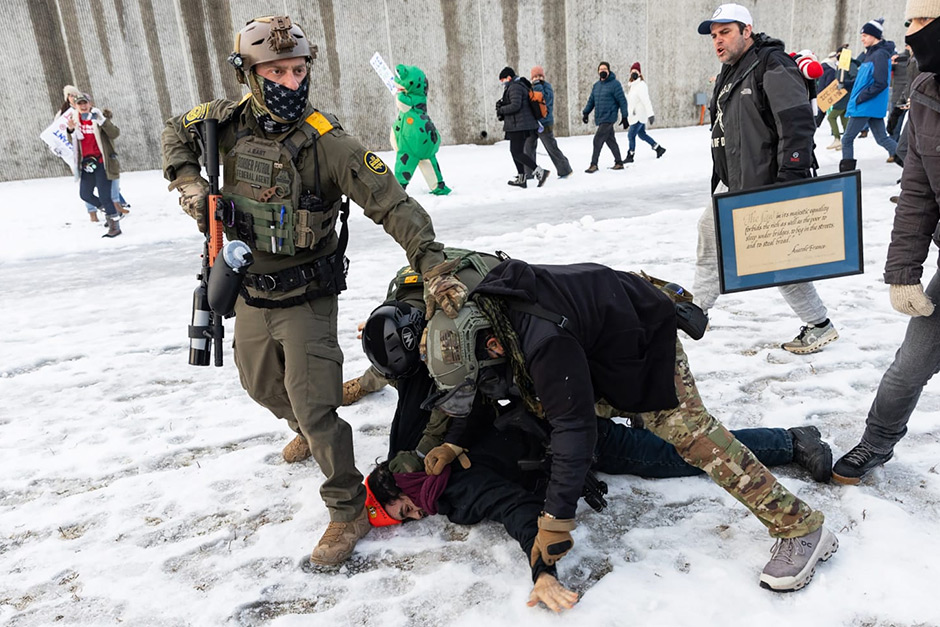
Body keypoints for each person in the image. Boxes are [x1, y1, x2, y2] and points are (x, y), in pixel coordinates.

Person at [160, 15, 468, 566]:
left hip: (306, 294)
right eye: (276, 72)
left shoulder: (330, 143)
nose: (290, 82)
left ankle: (347, 509)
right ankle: (304, 428)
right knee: (259, 384)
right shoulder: (224, 123)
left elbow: (394, 204)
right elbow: (173, 132)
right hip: (249, 287)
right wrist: (191, 187)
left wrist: (433, 265)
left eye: (298, 71)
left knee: (317, 405)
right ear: (249, 74)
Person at [422, 259, 838, 594]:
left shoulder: (543, 341)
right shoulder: (481, 307)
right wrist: (456, 441)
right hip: (603, 338)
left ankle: (801, 528)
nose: (488, 386)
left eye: (486, 374)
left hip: (644, 338)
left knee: (694, 438)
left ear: (492, 344)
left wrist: (555, 519)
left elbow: (574, 430)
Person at [832, 2, 940, 485]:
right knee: (910, 364)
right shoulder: (926, 90)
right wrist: (903, 273)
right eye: (910, 22)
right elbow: (917, 191)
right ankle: (876, 442)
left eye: (921, 22)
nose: (911, 32)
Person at [693, 3, 839, 354]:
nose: (718, 41)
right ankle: (696, 311)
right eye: (714, 36)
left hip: (766, 182)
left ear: (747, 31)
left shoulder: (772, 64)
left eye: (725, 32)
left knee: (778, 259)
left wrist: (789, 178)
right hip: (736, 181)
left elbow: (797, 122)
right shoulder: (732, 71)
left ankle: (819, 324)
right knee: (711, 234)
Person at [840, 18, 900, 171]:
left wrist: (861, 97)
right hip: (870, 105)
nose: (862, 39)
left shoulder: (880, 55)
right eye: (862, 35)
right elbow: (864, 81)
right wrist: (847, 84)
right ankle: (914, 167)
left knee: (847, 139)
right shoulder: (871, 54)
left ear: (875, 36)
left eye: (865, 35)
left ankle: (847, 177)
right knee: (882, 139)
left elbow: (881, 82)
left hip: (866, 105)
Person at [66, 93, 122, 238]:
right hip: (87, 164)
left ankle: (114, 226)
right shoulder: (75, 120)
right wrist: (70, 130)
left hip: (102, 162)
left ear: (90, 104)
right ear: (76, 106)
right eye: (80, 104)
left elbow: (115, 133)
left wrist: (102, 121)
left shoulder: (98, 117)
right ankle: (112, 212)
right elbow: (73, 143)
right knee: (85, 194)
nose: (83, 106)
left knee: (105, 196)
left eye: (85, 103)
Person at [496, 67, 549, 188]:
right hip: (518, 124)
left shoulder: (515, 87)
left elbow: (515, 105)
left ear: (509, 77)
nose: (503, 83)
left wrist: (501, 109)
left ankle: (540, 172)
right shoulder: (517, 85)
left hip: (519, 125)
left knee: (517, 152)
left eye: (503, 80)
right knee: (515, 151)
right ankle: (522, 178)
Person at [523, 66, 572, 179]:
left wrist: (538, 86)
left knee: (551, 148)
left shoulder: (546, 87)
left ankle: (565, 170)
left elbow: (546, 101)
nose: (537, 78)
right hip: (532, 124)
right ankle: (528, 173)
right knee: (528, 149)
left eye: (540, 76)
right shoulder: (530, 88)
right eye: (535, 76)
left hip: (544, 124)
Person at [581, 62, 629, 173]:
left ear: (608, 71)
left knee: (597, 139)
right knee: (610, 140)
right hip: (600, 117)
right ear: (598, 71)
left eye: (605, 69)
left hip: (609, 116)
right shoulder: (596, 86)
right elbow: (591, 101)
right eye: (600, 69)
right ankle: (619, 162)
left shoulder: (615, 84)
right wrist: (586, 113)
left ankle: (594, 164)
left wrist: (625, 116)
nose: (602, 71)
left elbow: (622, 101)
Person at [625, 62, 666, 163]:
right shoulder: (633, 86)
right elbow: (633, 100)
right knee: (642, 134)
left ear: (640, 73)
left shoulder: (641, 85)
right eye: (632, 71)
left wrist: (650, 114)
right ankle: (658, 148)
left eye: (636, 71)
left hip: (639, 116)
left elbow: (646, 100)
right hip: (635, 115)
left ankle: (630, 155)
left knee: (631, 135)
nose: (634, 73)